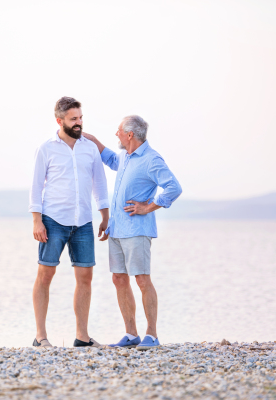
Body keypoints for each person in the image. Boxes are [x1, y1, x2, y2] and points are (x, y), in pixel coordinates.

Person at [82, 116, 181, 351]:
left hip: (137, 231)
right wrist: (91, 139)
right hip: (117, 230)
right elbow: (109, 158)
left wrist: (148, 207)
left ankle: (152, 335)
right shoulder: (125, 157)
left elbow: (174, 187)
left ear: (129, 135)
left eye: (118, 131)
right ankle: (131, 334)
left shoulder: (151, 159)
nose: (116, 134)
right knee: (119, 279)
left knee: (142, 279)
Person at [29, 96, 109, 349]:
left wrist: (105, 214)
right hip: (53, 220)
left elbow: (99, 183)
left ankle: (82, 337)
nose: (79, 123)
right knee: (45, 275)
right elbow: (35, 188)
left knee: (85, 277)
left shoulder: (89, 148)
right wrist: (37, 221)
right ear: (59, 120)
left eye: (80, 118)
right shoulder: (46, 148)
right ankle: (40, 336)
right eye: (73, 119)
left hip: (83, 221)